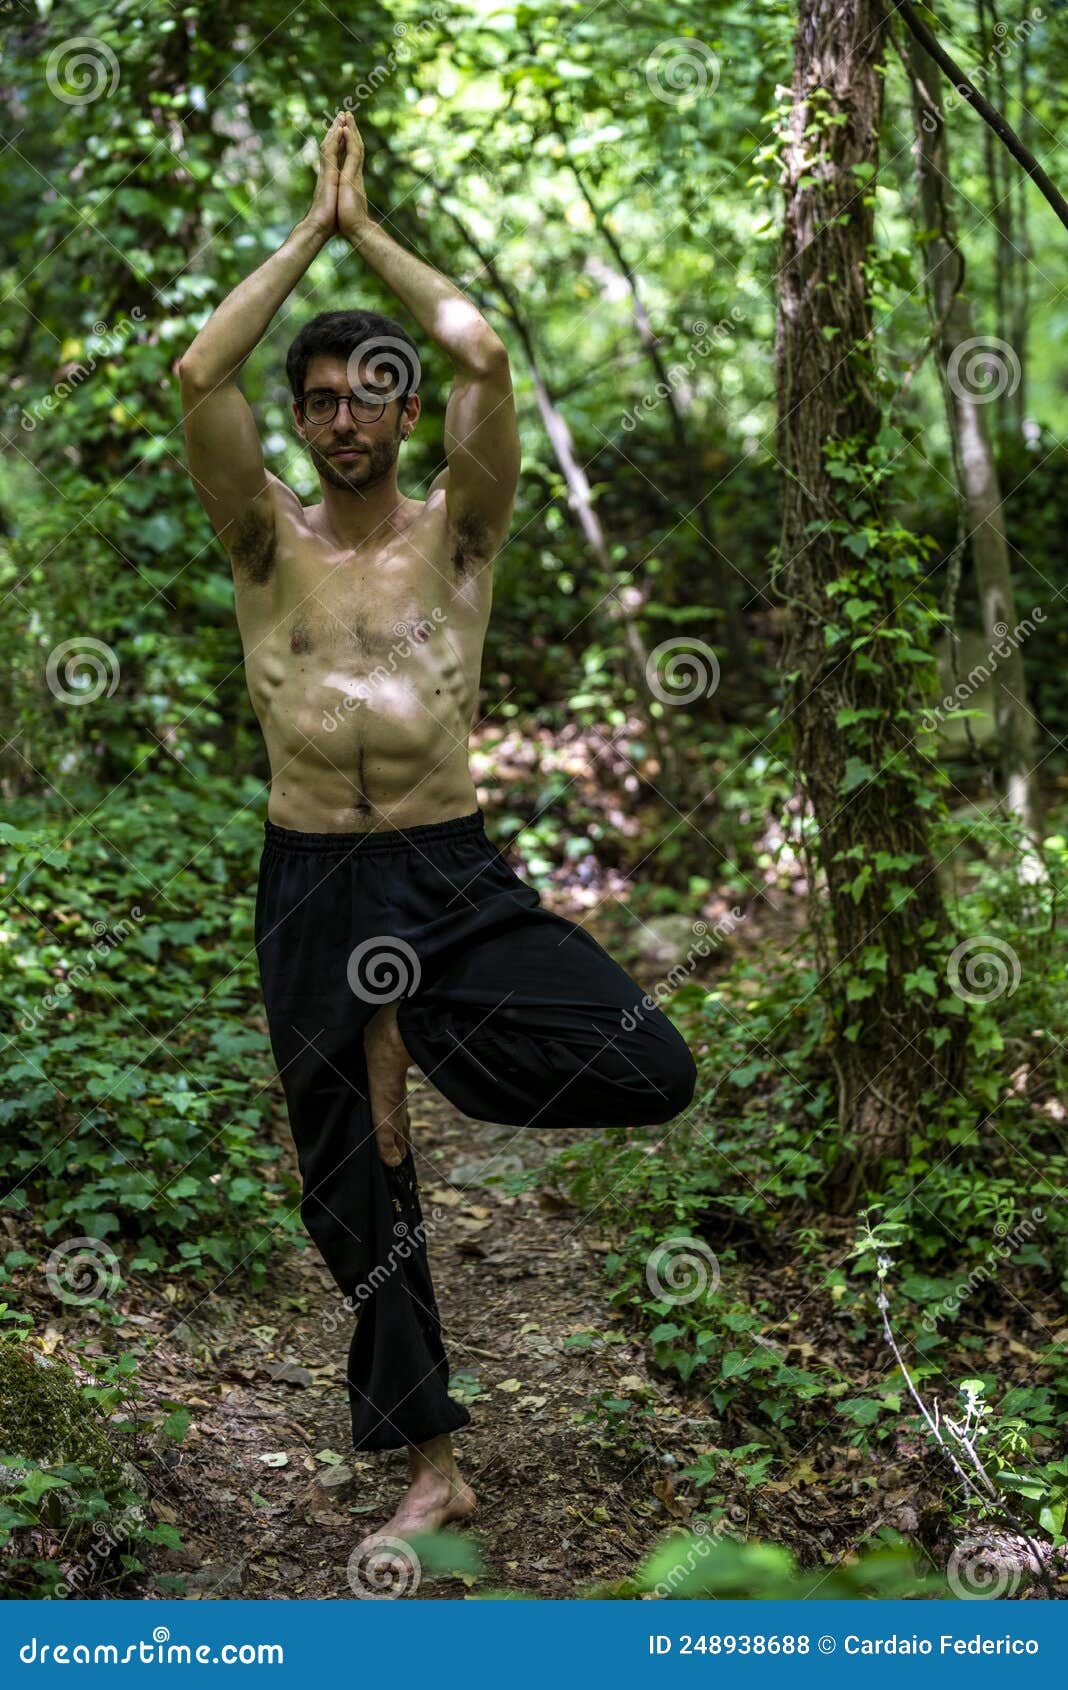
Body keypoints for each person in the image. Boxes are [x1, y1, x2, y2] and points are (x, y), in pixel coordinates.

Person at [178, 111, 698, 1567]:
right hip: (307, 882)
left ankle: (436, 1046)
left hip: (446, 868)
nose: (346, 415)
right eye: (325, 397)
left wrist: (366, 229)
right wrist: (304, 235)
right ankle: (432, 1457)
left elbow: (482, 355)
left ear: (405, 415)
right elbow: (197, 371)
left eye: (370, 394)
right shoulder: (260, 538)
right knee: (353, 1178)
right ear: (303, 418)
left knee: (650, 1063)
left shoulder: (459, 538)